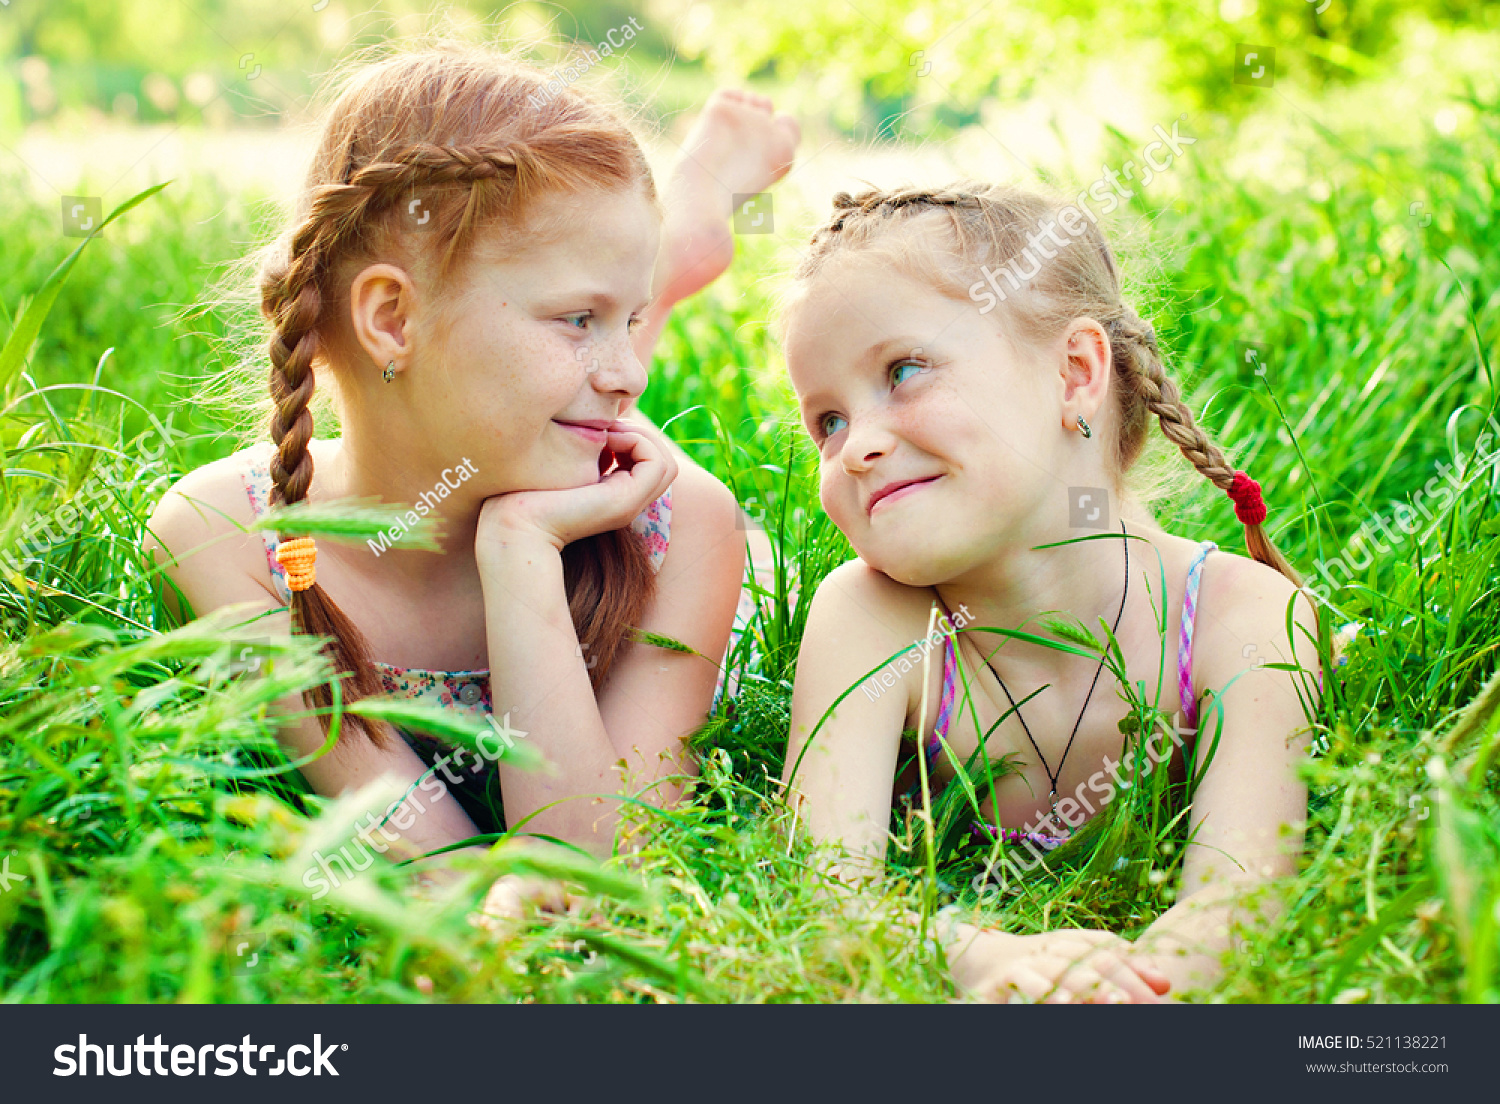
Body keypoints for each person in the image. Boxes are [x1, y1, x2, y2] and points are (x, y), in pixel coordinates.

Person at [146, 45, 800, 889]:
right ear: (390, 320)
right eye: (578, 317)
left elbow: (598, 873)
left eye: (628, 322)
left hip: (607, 486)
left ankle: (663, 250)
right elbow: (443, 877)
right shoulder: (229, 542)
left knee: (573, 384)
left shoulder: (687, 527)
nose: (632, 372)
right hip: (507, 408)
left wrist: (523, 552)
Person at [779, 185, 1322, 1002]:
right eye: (826, 421)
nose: (855, 447)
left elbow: (1240, 898)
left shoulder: (1244, 617)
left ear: (1075, 373)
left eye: (903, 371)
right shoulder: (874, 618)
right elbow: (823, 894)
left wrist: (1116, 992)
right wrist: (978, 957)